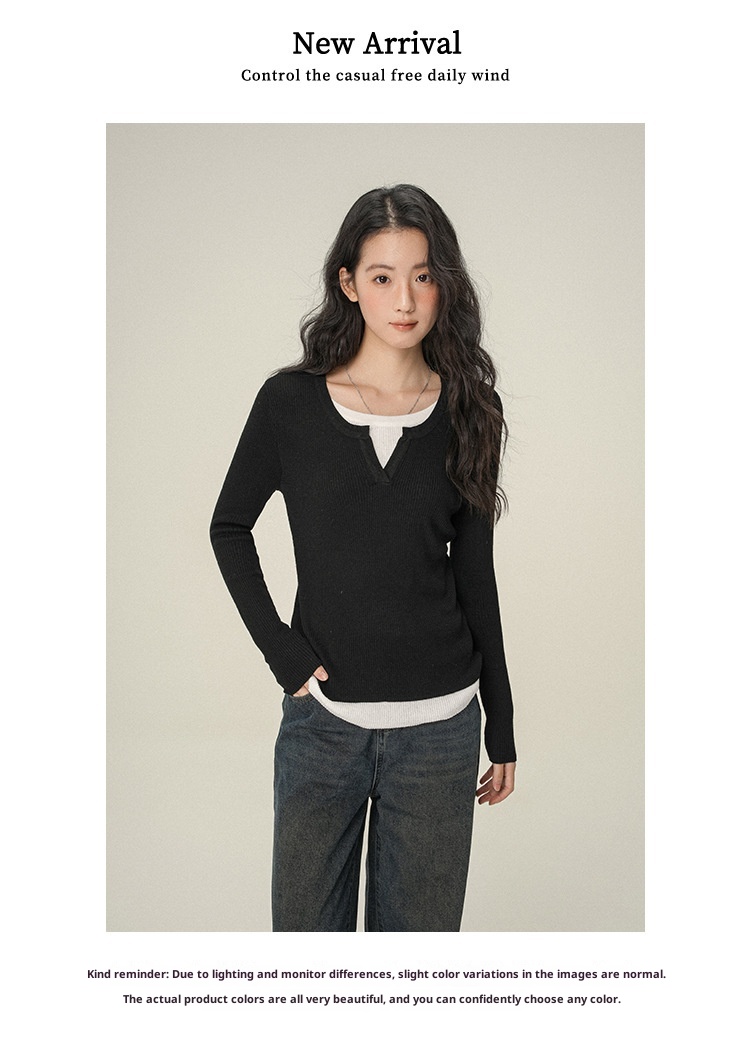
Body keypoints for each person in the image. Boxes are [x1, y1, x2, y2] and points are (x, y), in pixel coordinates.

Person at [210, 184, 516, 932]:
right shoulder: (288, 405)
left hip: (442, 730)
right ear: (349, 283)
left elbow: (475, 575)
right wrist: (283, 653)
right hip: (323, 727)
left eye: (423, 275)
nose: (404, 300)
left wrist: (501, 722)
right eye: (382, 277)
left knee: (413, 976)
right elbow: (229, 527)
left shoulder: (469, 410)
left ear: (445, 283)